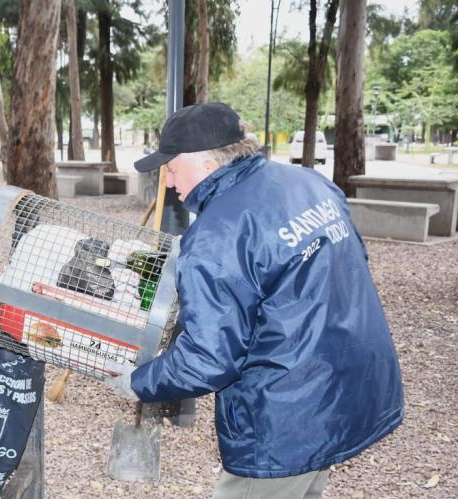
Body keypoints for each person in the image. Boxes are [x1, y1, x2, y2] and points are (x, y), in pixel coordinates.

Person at [107, 102, 404, 499]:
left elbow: (208, 360)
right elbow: (347, 269)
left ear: (204, 163)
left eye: (171, 167)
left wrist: (138, 382)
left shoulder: (217, 235)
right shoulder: (309, 183)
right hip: (346, 387)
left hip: (285, 417)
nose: (167, 180)